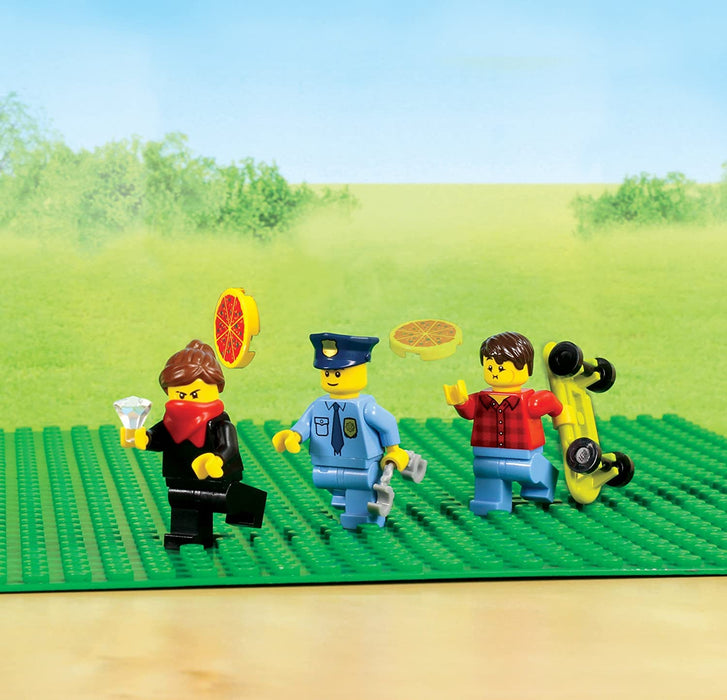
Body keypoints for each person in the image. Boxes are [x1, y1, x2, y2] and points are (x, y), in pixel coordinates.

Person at [123, 339, 266, 549]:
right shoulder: (171, 421)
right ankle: (185, 534)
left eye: (194, 394)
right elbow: (158, 437)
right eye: (180, 394)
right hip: (180, 477)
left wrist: (217, 460)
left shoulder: (219, 423)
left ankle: (246, 508)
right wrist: (143, 438)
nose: (187, 399)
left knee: (227, 500)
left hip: (215, 480)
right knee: (182, 503)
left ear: (217, 387)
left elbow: (229, 447)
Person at [272, 333, 408, 529]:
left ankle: (360, 519)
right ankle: (345, 501)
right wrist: (294, 435)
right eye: (327, 373)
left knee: (358, 494)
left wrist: (393, 450)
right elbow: (306, 423)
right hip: (326, 465)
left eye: (338, 374)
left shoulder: (366, 407)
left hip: (362, 465)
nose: (331, 378)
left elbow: (387, 423)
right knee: (332, 485)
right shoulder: (319, 405)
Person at [444, 331, 564, 515]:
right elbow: (469, 412)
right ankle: (491, 502)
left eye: (501, 368)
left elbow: (551, 402)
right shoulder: (481, 399)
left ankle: (541, 485)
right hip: (486, 454)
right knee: (487, 474)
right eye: (489, 367)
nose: (494, 372)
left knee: (531, 472)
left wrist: (561, 414)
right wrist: (460, 403)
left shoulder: (529, 401)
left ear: (525, 368)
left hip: (524, 454)